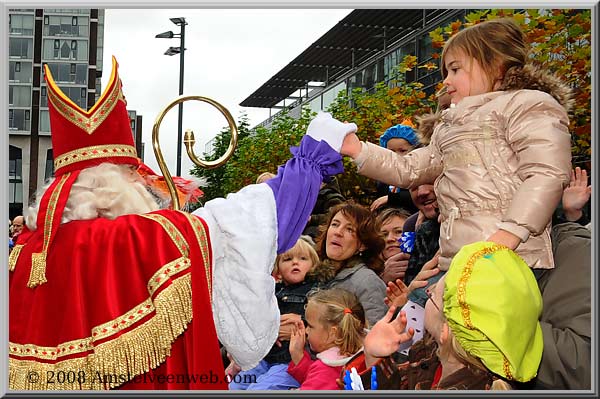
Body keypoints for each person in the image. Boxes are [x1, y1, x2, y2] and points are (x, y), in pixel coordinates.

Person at [8, 59, 357, 390]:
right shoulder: (142, 237)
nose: (144, 183)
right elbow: (258, 220)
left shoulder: (26, 249)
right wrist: (315, 150)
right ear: (114, 183)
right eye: (135, 174)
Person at [340, 18, 572, 275]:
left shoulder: (528, 105)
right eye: (446, 73)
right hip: (459, 258)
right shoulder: (449, 127)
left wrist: (511, 233)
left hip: (510, 256)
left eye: (455, 70)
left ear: (494, 64)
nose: (446, 82)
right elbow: (409, 169)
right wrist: (358, 149)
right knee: (431, 311)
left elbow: (545, 173)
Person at [349, 241, 543, 390]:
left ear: (446, 331)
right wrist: (373, 357)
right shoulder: (429, 357)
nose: (428, 292)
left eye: (433, 295)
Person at [227, 236, 324, 390]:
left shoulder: (316, 292)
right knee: (234, 386)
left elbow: (321, 320)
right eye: (287, 259)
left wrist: (300, 324)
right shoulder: (272, 292)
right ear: (277, 267)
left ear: (313, 264)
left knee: (260, 389)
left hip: (290, 361)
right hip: (265, 357)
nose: (295, 262)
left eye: (303, 258)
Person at [315, 202, 387, 326]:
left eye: (349, 229)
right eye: (335, 224)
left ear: (363, 245)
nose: (338, 232)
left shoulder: (368, 282)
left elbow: (373, 335)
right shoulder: (314, 274)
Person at [287, 288, 366, 390]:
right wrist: (298, 357)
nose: (306, 331)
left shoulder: (325, 370)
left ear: (333, 333)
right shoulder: (365, 354)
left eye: (310, 326)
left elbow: (320, 379)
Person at [370, 122, 419, 214]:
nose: (396, 155)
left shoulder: (421, 173)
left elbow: (420, 196)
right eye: (391, 151)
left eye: (402, 150)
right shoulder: (383, 177)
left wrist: (392, 198)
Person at [376, 207, 412, 284]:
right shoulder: (368, 275)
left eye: (398, 231)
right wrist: (382, 280)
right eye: (384, 234)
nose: (389, 239)